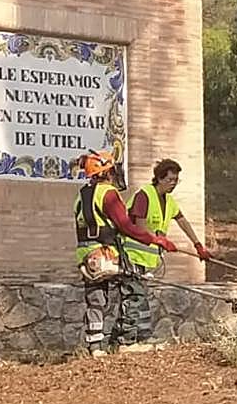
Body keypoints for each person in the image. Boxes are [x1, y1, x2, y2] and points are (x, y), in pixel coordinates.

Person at [75, 150, 177, 355]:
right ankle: (126, 341)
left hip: (86, 254)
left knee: (96, 298)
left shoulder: (83, 193)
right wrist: (154, 239)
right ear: (107, 170)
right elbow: (126, 226)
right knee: (134, 289)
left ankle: (95, 347)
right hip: (107, 254)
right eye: (113, 168)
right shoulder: (108, 193)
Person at [116, 158, 213, 347]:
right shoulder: (144, 196)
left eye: (176, 180)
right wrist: (160, 240)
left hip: (149, 257)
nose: (173, 184)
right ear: (159, 178)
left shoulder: (169, 201)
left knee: (144, 297)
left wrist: (198, 245)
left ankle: (143, 337)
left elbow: (182, 221)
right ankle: (126, 341)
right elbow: (139, 228)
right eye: (170, 180)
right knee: (134, 297)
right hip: (132, 255)